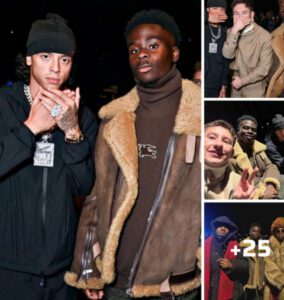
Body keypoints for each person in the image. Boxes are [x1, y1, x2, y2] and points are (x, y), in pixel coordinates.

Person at [65, 9, 201, 300]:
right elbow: (96, 199)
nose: (142, 54)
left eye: (153, 45)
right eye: (134, 49)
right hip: (116, 284)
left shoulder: (201, 116)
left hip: (172, 287)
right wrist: (89, 268)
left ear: (174, 53)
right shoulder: (115, 120)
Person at [0, 14, 98, 300]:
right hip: (8, 269)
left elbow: (82, 187)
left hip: (60, 272)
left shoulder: (81, 116)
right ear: (29, 58)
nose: (56, 68)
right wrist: (30, 128)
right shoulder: (5, 106)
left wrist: (73, 133)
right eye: (45, 56)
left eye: (64, 59)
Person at [222, 0, 273, 97]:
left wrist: (242, 81)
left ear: (252, 15)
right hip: (235, 88)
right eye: (236, 14)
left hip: (255, 89)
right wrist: (234, 32)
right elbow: (227, 55)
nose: (240, 18)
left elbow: (264, 68)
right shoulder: (231, 32)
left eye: (244, 13)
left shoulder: (264, 36)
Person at [204, 119, 257, 199]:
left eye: (226, 141)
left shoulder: (239, 183)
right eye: (212, 137)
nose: (218, 144)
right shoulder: (181, 174)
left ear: (231, 153)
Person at [232, 115, 281, 199]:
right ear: (237, 131)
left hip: (263, 182)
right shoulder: (230, 152)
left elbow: (270, 166)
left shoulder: (259, 149)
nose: (250, 131)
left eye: (253, 130)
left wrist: (270, 185)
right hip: (246, 190)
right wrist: (259, 194)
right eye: (246, 128)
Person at [204, 216, 249, 300]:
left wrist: (232, 264)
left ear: (230, 230)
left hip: (231, 294)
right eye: (220, 226)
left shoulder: (236, 246)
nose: (223, 229)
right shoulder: (205, 246)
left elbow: (246, 265)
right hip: (210, 292)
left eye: (226, 227)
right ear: (215, 227)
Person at [205, 0, 230, 98]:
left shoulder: (225, 32)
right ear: (207, 10)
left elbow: (226, 61)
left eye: (222, 9)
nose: (219, 12)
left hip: (217, 86)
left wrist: (224, 86)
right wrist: (206, 18)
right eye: (215, 8)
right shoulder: (203, 29)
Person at [239, 223, 265, 300]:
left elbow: (266, 263)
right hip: (248, 284)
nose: (256, 233)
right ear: (249, 232)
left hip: (261, 284)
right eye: (254, 231)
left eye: (258, 231)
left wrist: (265, 281)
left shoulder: (264, 246)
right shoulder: (243, 246)